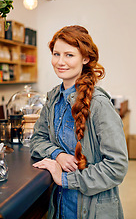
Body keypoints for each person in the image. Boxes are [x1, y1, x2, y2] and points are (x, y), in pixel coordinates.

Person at [30, 25, 128, 219]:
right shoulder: (53, 98)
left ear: (85, 58)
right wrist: (58, 155)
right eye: (56, 54)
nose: (60, 62)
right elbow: (37, 140)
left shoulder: (99, 104)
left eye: (69, 55)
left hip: (91, 209)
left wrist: (65, 178)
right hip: (59, 205)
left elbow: (117, 166)